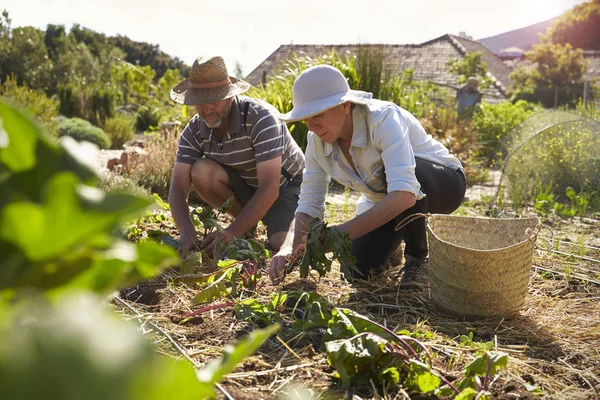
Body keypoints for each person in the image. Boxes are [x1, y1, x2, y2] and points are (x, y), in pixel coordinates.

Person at [268, 65, 466, 289]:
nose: (311, 125)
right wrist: (289, 248)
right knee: (357, 271)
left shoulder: (383, 119)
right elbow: (309, 203)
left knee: (410, 179)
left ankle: (418, 259)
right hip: (387, 200)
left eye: (318, 115)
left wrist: (338, 234)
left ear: (344, 105)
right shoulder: (316, 141)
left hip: (443, 184)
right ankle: (395, 243)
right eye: (305, 118)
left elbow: (405, 195)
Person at [168, 55, 305, 256]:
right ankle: (248, 224)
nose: (207, 109)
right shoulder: (195, 130)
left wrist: (232, 232)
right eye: (200, 102)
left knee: (281, 244)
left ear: (229, 95)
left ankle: (300, 223)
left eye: (213, 100)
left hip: (287, 185)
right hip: (248, 186)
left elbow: (270, 187)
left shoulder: (261, 118)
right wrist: (186, 232)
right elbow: (178, 189)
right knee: (201, 171)